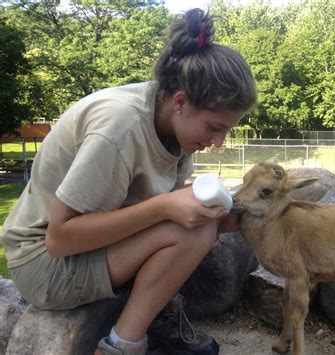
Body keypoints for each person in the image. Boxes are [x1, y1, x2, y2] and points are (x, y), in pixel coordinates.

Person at [1, 8, 257, 355]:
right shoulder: (119, 129)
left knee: (198, 221)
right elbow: (59, 239)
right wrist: (165, 206)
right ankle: (122, 346)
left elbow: (149, 204)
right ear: (181, 101)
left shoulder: (173, 125)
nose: (218, 143)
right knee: (191, 231)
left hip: (84, 248)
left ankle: (152, 314)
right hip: (44, 262)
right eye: (215, 128)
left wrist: (205, 211)